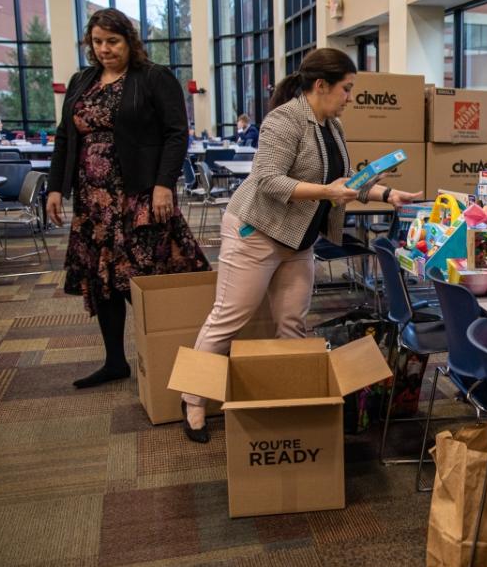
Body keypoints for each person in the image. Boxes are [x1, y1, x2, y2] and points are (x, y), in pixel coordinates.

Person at [181, 48, 423, 443]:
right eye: (346, 89)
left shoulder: (333, 126)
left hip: (299, 239)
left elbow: (345, 181)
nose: (350, 97)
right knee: (229, 318)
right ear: (321, 85)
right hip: (255, 231)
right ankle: (192, 399)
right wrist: (327, 191)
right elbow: (268, 181)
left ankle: (288, 396)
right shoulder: (285, 119)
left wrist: (387, 193)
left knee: (293, 321)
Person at [47, 8, 210, 389]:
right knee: (103, 279)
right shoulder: (81, 81)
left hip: (139, 197)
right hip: (92, 203)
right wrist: (56, 187)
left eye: (112, 41)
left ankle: (171, 357)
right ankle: (115, 362)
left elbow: (175, 134)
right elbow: (64, 137)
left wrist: (164, 184)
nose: (104, 49)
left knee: (144, 280)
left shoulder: (153, 77)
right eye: (97, 42)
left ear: (129, 41)